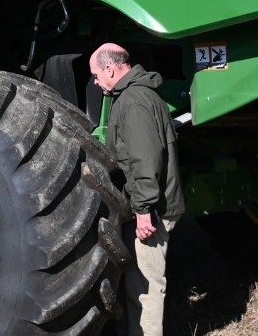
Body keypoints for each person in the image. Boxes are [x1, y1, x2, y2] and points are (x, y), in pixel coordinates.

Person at [88, 43, 184, 336]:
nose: (95, 81)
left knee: (145, 288)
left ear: (110, 68)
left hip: (152, 210)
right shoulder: (138, 94)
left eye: (95, 74)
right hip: (150, 205)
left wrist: (143, 211)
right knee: (138, 283)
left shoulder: (132, 101)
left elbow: (144, 160)